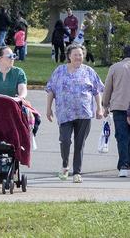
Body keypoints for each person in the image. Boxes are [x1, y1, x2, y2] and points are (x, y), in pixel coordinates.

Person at [44, 45, 104, 183]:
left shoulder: (89, 71)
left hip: (84, 113)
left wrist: (99, 108)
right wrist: (48, 108)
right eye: (76, 54)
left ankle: (77, 172)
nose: (78, 57)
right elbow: (51, 90)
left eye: (81, 54)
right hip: (64, 113)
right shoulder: (59, 71)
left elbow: (96, 91)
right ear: (69, 56)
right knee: (65, 140)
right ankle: (65, 165)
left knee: (79, 143)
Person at [102, 44, 130, 177]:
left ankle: (123, 165)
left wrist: (105, 105)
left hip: (119, 106)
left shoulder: (115, 68)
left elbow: (108, 88)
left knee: (121, 136)